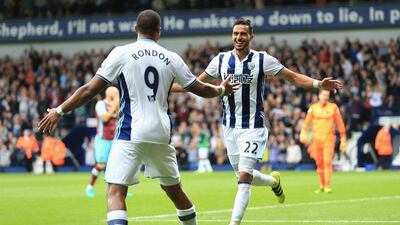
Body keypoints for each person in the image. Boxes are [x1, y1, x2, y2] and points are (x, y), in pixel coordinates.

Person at [38, 9, 239, 225]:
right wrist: (221, 90)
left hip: (130, 132)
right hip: (161, 132)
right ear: (158, 32)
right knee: (174, 191)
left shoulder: (121, 53)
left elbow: (89, 90)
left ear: (136, 29)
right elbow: (199, 88)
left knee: (116, 191)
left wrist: (59, 111)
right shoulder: (172, 58)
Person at [172, 18, 343, 225]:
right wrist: (165, 88)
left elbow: (292, 77)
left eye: (243, 34)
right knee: (245, 175)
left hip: (254, 127)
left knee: (243, 180)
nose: (238, 37)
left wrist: (318, 83)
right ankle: (273, 181)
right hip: (230, 128)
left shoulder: (263, 60)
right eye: (235, 33)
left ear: (251, 36)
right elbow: (196, 83)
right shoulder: (220, 60)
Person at [300, 89, 347, 193]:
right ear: (319, 95)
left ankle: (327, 185)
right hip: (316, 140)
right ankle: (321, 185)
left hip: (329, 140)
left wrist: (343, 139)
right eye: (324, 95)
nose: (326, 97)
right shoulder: (313, 108)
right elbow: (306, 122)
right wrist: (303, 132)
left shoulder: (333, 108)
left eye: (327, 95)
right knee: (319, 163)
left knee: (327, 162)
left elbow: (340, 123)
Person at [86, 86, 119, 198]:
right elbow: (104, 118)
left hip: (115, 139)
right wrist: (113, 107)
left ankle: (118, 190)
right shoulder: (100, 104)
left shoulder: (117, 105)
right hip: (103, 139)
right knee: (100, 165)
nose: (118, 96)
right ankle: (90, 186)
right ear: (110, 95)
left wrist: (116, 107)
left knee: (117, 165)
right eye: (116, 94)